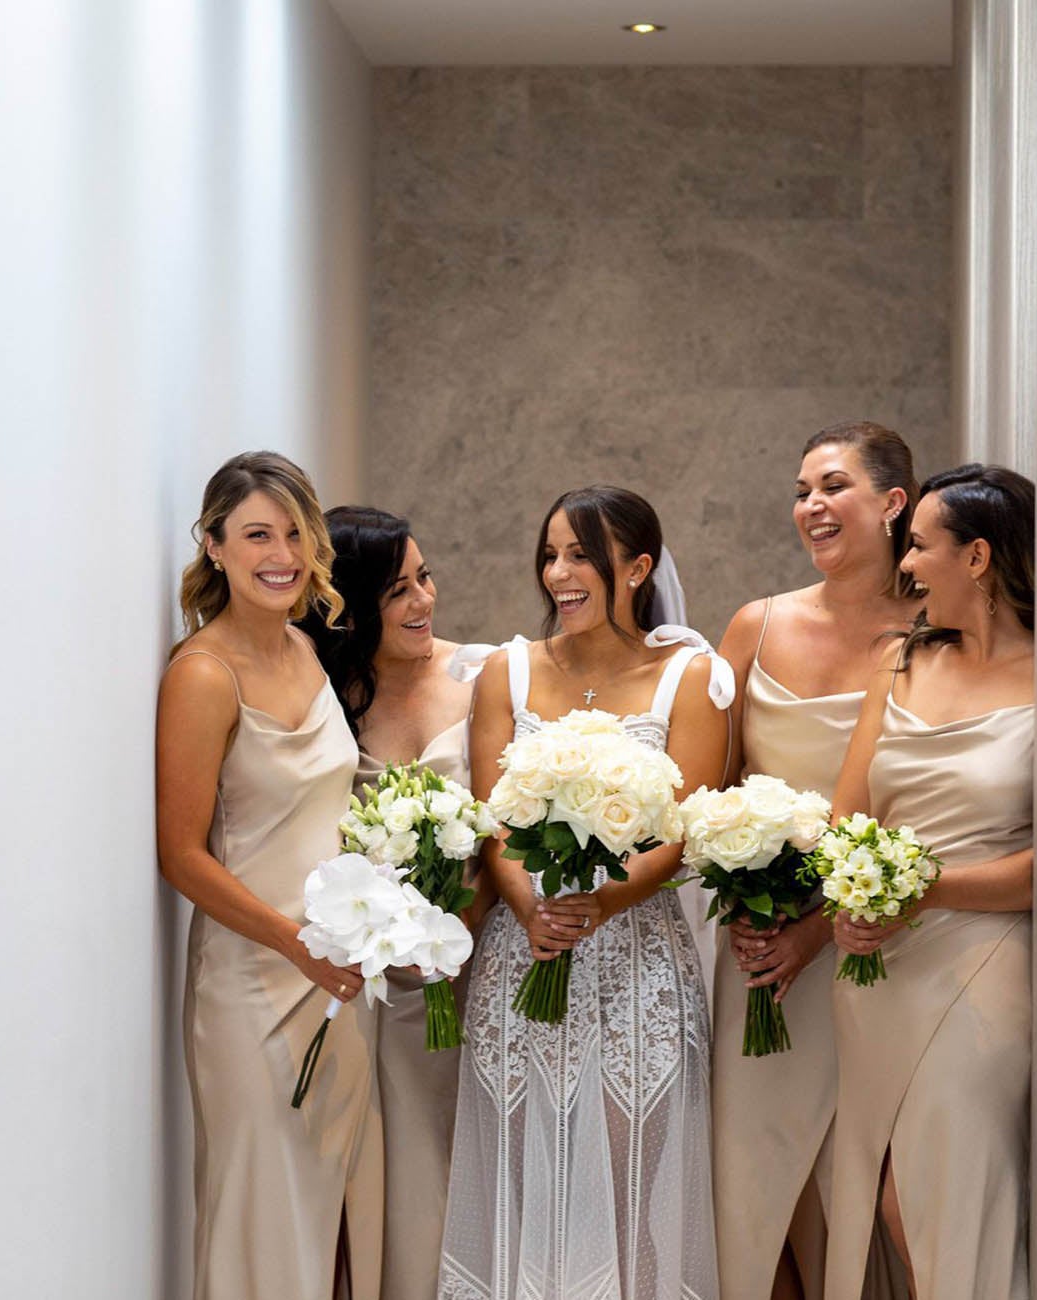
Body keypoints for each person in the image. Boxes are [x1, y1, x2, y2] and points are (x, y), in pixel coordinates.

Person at [438, 486, 730, 1300]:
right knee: (525, 1183)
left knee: (632, 1187)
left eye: (580, 555)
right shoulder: (508, 671)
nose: (559, 573)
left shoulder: (690, 676)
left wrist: (599, 904)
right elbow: (493, 821)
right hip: (524, 950)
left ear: (636, 568)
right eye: (551, 554)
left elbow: (684, 831)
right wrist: (533, 908)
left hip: (638, 959)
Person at [155, 451, 383, 1300]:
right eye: (256, 534)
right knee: (259, 1210)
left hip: (335, 980)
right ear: (213, 546)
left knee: (319, 1215)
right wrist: (296, 944)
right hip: (254, 983)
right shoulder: (202, 675)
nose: (280, 553)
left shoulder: (302, 647)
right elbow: (181, 855)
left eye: (294, 533)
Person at [709, 422, 922, 1300]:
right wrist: (751, 900)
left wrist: (820, 929)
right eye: (802, 491)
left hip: (881, 944)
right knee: (756, 1183)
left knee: (868, 1184)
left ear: (893, 502)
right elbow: (711, 787)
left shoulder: (935, 628)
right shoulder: (756, 626)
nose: (811, 507)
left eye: (833, 486)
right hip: (760, 959)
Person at [821, 464, 1037, 1300]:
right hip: (879, 971)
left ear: (977, 557)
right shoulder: (901, 663)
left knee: (931, 1205)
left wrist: (929, 892)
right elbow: (847, 815)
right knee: (885, 1206)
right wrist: (854, 900)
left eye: (919, 546)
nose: (905, 565)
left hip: (982, 963)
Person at [301, 505, 494, 1300]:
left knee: (474, 1165)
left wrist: (457, 933)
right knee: (398, 1172)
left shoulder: (486, 676)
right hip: (379, 987)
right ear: (348, 603)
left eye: (425, 577)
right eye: (395, 591)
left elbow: (508, 832)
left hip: (476, 970)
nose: (423, 601)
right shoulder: (327, 697)